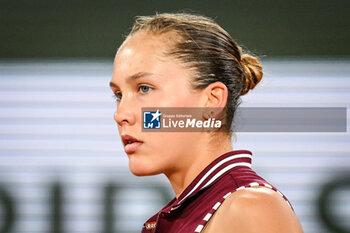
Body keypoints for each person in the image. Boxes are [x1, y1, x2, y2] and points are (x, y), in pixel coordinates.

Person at [109, 12, 304, 233]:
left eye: (145, 88)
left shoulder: (251, 208)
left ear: (212, 101)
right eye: (118, 95)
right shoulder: (175, 218)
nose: (121, 114)